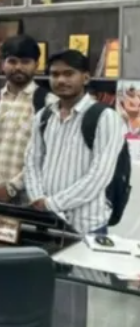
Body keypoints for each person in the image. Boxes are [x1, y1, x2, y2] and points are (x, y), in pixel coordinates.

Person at [24, 50, 124, 234]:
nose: (61, 80)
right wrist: (38, 199)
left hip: (86, 225)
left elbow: (99, 176)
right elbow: (32, 162)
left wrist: (52, 204)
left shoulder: (105, 117)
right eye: (55, 74)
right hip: (47, 221)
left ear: (85, 78)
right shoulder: (43, 116)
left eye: (69, 73)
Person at [0, 35, 53, 204]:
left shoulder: (49, 103)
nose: (18, 67)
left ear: (37, 65)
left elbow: (48, 155)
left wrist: (12, 188)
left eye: (25, 62)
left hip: (30, 202)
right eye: (12, 61)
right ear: (3, 64)